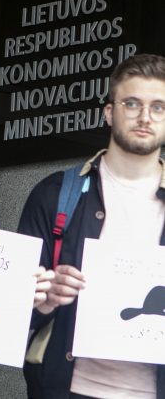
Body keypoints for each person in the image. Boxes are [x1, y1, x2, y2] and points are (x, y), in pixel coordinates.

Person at [18, 54, 165, 398]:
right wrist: (45, 299)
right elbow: (8, 306)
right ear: (109, 111)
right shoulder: (55, 195)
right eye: (132, 103)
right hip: (66, 388)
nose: (145, 116)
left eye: (158, 107)